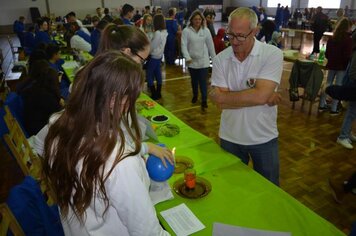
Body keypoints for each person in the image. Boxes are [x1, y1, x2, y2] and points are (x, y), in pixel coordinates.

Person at [42, 51, 171, 235]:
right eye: (131, 99)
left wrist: (145, 147)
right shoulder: (121, 162)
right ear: (113, 100)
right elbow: (148, 232)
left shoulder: (58, 123)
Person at [209, 7, 283, 185]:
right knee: (232, 188)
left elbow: (222, 99)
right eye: (230, 35)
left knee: (269, 191)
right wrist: (261, 97)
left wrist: (224, 96)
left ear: (255, 31)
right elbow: (221, 104)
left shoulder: (272, 54)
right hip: (229, 137)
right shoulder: (220, 59)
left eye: (240, 36)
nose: (234, 41)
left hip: (263, 138)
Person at [181, 10, 216, 111]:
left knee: (203, 82)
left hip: (203, 62)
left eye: (200, 19)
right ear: (191, 20)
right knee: (194, 81)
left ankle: (204, 100)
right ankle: (195, 95)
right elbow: (183, 45)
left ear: (202, 20)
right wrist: (187, 57)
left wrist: (214, 60)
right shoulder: (186, 31)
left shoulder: (206, 31)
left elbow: (211, 46)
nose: (198, 21)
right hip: (191, 62)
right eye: (195, 19)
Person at [319, 18, 353, 115]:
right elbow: (347, 56)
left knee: (327, 84)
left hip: (331, 64)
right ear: (348, 28)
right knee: (338, 87)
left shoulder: (332, 38)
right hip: (342, 67)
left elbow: (327, 54)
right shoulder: (348, 40)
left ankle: (322, 104)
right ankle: (334, 109)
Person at [21, 60, 63, 136]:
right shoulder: (46, 97)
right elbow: (60, 114)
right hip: (39, 131)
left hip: (33, 125)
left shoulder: (38, 88)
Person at [146, 14, 168, 100]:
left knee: (149, 75)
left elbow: (152, 46)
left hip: (154, 56)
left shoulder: (158, 33)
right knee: (158, 74)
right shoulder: (164, 32)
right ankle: (158, 93)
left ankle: (154, 94)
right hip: (159, 56)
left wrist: (147, 53)